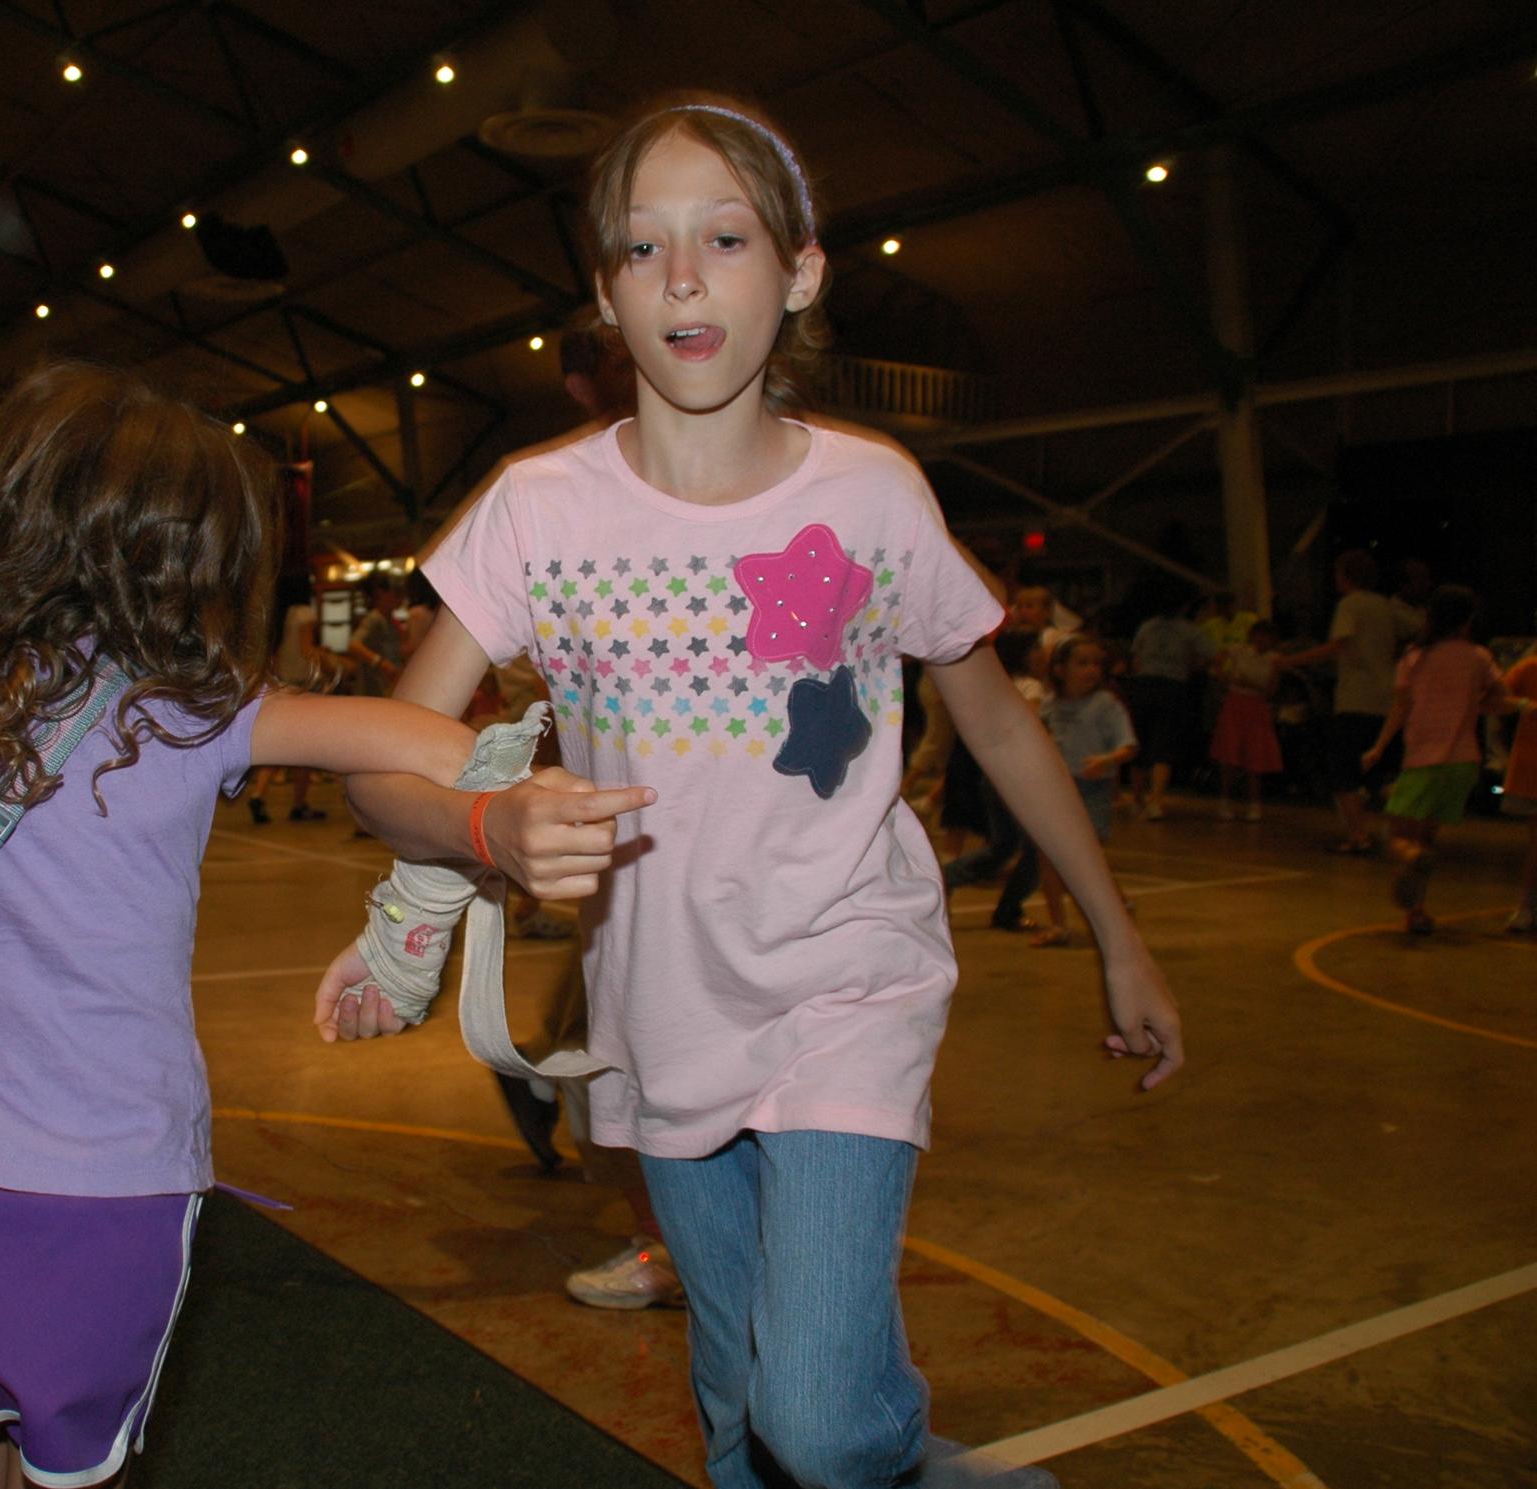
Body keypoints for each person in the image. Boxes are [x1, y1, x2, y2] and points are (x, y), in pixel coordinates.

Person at [312, 93, 1181, 1489]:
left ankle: (909, 1466)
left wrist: (1117, 935)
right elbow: (382, 764)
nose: (682, 278)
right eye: (642, 247)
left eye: (723, 238)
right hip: (660, 1007)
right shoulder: (535, 509)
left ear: (801, 272)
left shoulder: (873, 494)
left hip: (847, 978)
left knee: (818, 1422)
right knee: (735, 1403)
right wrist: (490, 823)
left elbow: (1002, 727)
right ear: (606, 295)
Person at [0, 362, 610, 1489]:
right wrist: (504, 811)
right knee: (74, 1470)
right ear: (189, 557)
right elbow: (424, 743)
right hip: (119, 1177)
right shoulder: (198, 711)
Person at [1358, 586, 1508, 935]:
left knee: (1399, 838)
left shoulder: (1415, 657)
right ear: (1468, 620)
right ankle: (1416, 913)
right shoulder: (1479, 656)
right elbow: (1501, 699)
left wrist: (1379, 747)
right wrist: (1474, 704)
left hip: (1424, 760)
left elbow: (1401, 706)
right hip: (1464, 763)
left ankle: (1413, 862)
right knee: (1425, 838)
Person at [1278, 550, 1416, 855]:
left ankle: (1358, 836)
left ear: (1346, 575)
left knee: (1342, 773)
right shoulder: (1385, 605)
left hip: (1355, 699)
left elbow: (1338, 644)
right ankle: (1405, 829)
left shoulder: (1350, 604)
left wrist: (1290, 660)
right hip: (1386, 700)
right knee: (1378, 772)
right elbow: (1416, 626)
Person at [1030, 635, 1137, 948]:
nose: (1091, 670)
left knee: (1087, 861)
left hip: (1092, 789)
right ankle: (1058, 925)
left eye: (1096, 664)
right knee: (1049, 858)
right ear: (1060, 669)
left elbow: (1128, 746)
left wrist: (1106, 759)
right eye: (1082, 663)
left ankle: (1117, 911)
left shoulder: (1106, 705)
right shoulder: (1050, 704)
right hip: (1056, 789)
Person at [938, 629, 1048, 933]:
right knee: (1037, 848)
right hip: (1017, 778)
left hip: (992, 776)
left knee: (1004, 845)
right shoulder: (1031, 687)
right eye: (1036, 648)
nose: (1042, 654)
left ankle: (946, 878)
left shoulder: (995, 684)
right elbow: (1026, 727)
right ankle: (1008, 908)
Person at [245, 572, 342, 824]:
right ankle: (299, 804)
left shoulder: (281, 615)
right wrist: (331, 662)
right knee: (305, 748)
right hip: (304, 686)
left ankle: (258, 794)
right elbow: (306, 650)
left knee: (279, 747)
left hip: (283, 685)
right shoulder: (304, 613)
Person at [1124, 591, 1215, 818]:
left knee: (1140, 741)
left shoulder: (1147, 627)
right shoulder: (1189, 630)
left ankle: (1137, 799)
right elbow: (1213, 654)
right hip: (1172, 687)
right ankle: (1155, 801)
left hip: (1144, 685)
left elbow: (1135, 659)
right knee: (1164, 743)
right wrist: (1192, 665)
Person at [1209, 618, 1285, 823]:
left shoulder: (1275, 659)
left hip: (1257, 707)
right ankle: (1225, 800)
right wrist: (1226, 677)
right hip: (1235, 704)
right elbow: (1217, 662)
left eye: (1267, 637)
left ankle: (1254, 803)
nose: (1262, 640)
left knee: (1255, 757)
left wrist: (1248, 683)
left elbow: (1271, 691)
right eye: (1259, 635)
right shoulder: (1239, 650)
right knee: (1230, 755)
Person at [1499, 644, 1537, 934]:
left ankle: (1527, 907)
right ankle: (1527, 906)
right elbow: (1494, 698)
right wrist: (1524, 705)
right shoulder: (1530, 668)